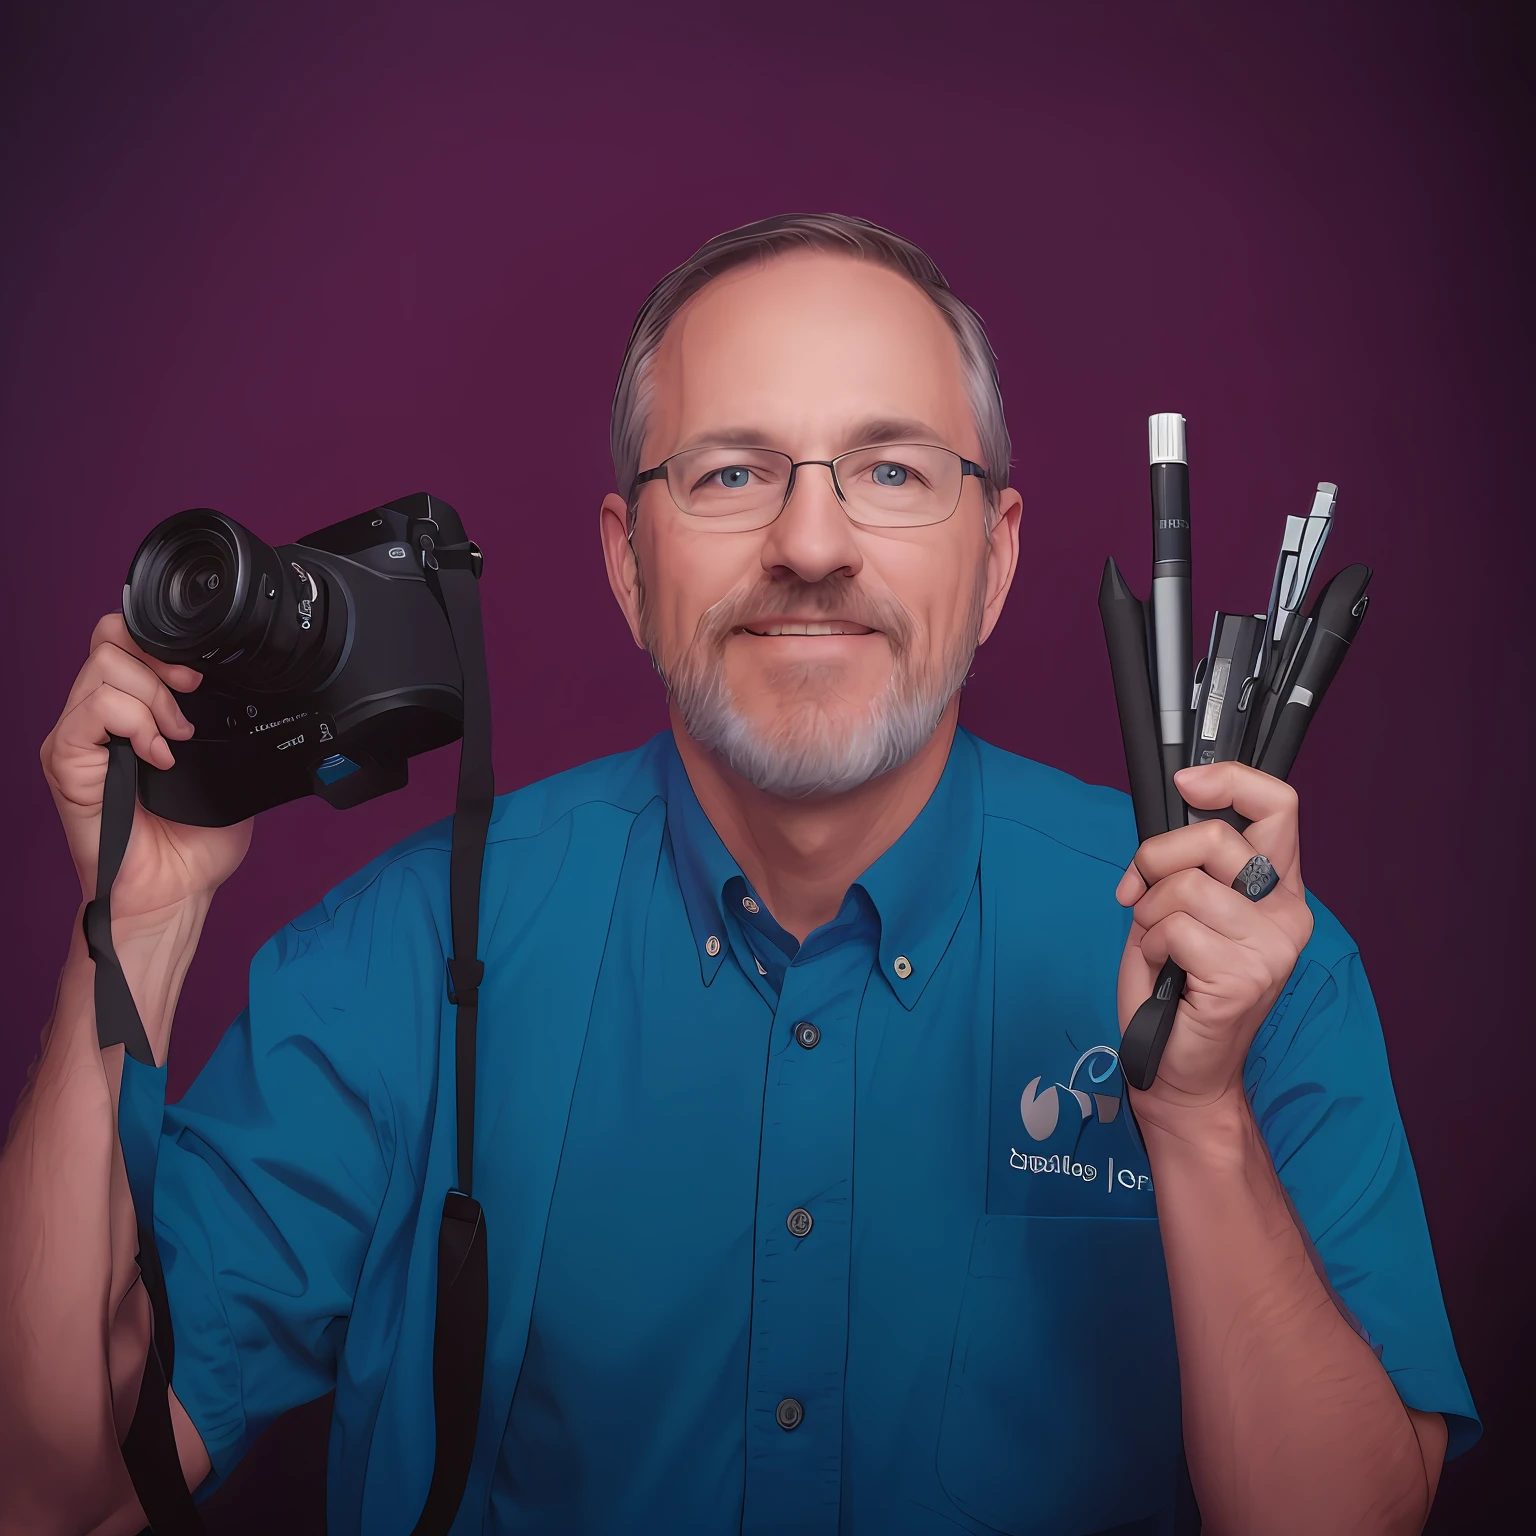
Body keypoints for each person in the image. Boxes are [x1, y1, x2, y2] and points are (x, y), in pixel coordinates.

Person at [0, 214, 1478, 1536]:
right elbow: (56, 1492)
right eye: (733, 472)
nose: (813, 543)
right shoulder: (401, 955)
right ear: (631, 562)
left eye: (892, 469)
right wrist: (129, 924)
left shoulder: (1239, 951)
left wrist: (1201, 1124)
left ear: (1000, 557)